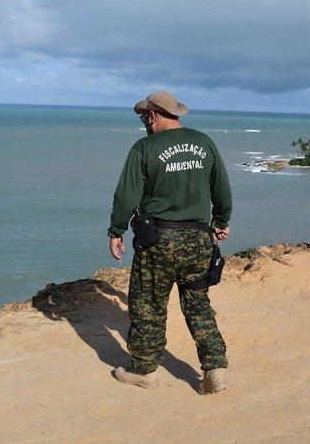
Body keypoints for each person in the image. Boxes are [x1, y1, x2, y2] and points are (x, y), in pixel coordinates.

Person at [107, 91, 232, 394]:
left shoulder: (144, 147)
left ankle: (145, 372)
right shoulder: (204, 142)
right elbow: (222, 188)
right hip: (198, 238)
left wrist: (116, 230)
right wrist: (221, 221)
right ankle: (215, 369)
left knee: (147, 305)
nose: (144, 124)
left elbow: (126, 195)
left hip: (157, 241)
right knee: (198, 305)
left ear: (152, 115)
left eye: (143, 118)